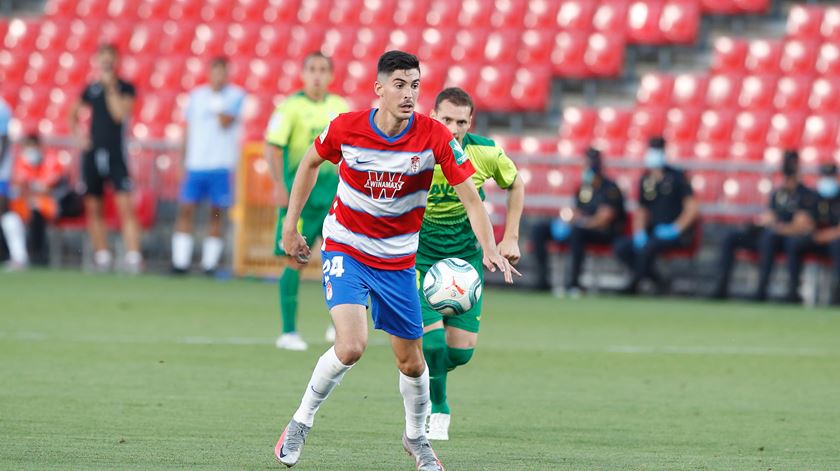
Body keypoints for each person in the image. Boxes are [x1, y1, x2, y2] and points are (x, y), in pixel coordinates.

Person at [274, 51, 518, 471]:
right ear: (380, 89)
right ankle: (301, 421)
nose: (409, 95)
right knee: (351, 346)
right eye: (400, 85)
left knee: (412, 360)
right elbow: (309, 163)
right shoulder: (346, 128)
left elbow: (471, 198)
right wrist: (290, 226)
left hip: (399, 260)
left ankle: (416, 439)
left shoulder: (433, 136)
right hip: (347, 248)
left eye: (416, 85)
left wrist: (492, 246)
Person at [419, 87, 524, 441]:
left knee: (459, 354)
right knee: (433, 346)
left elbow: (516, 183)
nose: (453, 128)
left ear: (470, 122)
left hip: (465, 259)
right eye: (446, 119)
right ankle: (438, 406)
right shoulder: (414, 146)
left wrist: (510, 236)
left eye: (460, 122)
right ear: (433, 115)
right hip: (420, 259)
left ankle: (420, 372)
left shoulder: (485, 152)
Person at [266, 52, 349, 351]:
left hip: (334, 198)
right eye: (312, 69)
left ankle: (340, 326)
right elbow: (273, 148)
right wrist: (277, 184)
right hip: (299, 200)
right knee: (294, 260)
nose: (317, 75)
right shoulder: (289, 108)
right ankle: (288, 331)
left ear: (330, 76)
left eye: (323, 70)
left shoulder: (340, 108)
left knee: (344, 259)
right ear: (303, 73)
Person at [69, 44, 141, 273]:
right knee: (93, 205)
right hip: (93, 154)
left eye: (111, 58)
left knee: (125, 205)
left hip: (116, 153)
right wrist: (80, 137)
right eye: (103, 58)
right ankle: (102, 253)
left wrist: (111, 89)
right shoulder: (90, 89)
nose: (107, 62)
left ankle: (133, 253)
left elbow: (119, 114)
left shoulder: (125, 88)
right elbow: (72, 113)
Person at [171, 57, 246, 275]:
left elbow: (226, 122)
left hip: (220, 165)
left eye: (222, 73)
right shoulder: (196, 96)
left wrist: (216, 102)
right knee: (186, 210)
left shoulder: (235, 96)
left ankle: (209, 265)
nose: (218, 77)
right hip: (196, 164)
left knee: (216, 214)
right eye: (215, 72)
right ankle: (180, 263)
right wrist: (181, 159)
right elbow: (188, 129)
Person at [709, 150, 816, 302]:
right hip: (770, 236)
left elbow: (803, 225)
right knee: (731, 237)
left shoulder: (806, 194)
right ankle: (721, 287)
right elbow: (770, 215)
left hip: (786, 240)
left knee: (771, 238)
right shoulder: (778, 194)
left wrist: (779, 227)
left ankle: (762, 290)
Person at [529, 147, 625, 295]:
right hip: (580, 228)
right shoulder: (584, 188)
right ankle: (542, 280)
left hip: (603, 234)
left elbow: (604, 219)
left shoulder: (610, 188)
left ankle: (573, 283)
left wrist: (581, 223)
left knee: (577, 233)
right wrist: (568, 220)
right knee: (539, 229)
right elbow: (577, 210)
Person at [614, 137, 698, 295]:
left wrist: (675, 228)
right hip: (653, 231)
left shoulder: (678, 177)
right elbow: (642, 210)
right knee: (622, 246)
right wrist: (639, 232)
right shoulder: (646, 180)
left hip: (674, 232)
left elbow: (692, 208)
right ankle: (656, 279)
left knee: (648, 248)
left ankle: (634, 285)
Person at [8, 133, 71, 266]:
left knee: (36, 215)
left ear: (38, 146)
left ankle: (39, 257)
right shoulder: (22, 162)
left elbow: (48, 188)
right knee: (9, 219)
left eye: (32, 146)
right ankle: (14, 257)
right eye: (26, 146)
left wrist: (30, 188)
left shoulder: (51, 161)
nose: (29, 150)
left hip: (50, 206)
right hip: (25, 205)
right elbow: (18, 185)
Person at [789, 163, 840, 305]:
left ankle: (837, 294)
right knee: (794, 244)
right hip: (815, 239)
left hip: (833, 240)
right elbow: (802, 220)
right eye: (825, 176)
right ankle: (793, 290)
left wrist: (824, 236)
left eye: (830, 176)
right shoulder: (812, 197)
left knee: (837, 246)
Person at [0, 95, 26, 269]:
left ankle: (19, 256)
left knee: (4, 210)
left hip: (1, 173)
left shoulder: (1, 108)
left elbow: (3, 141)